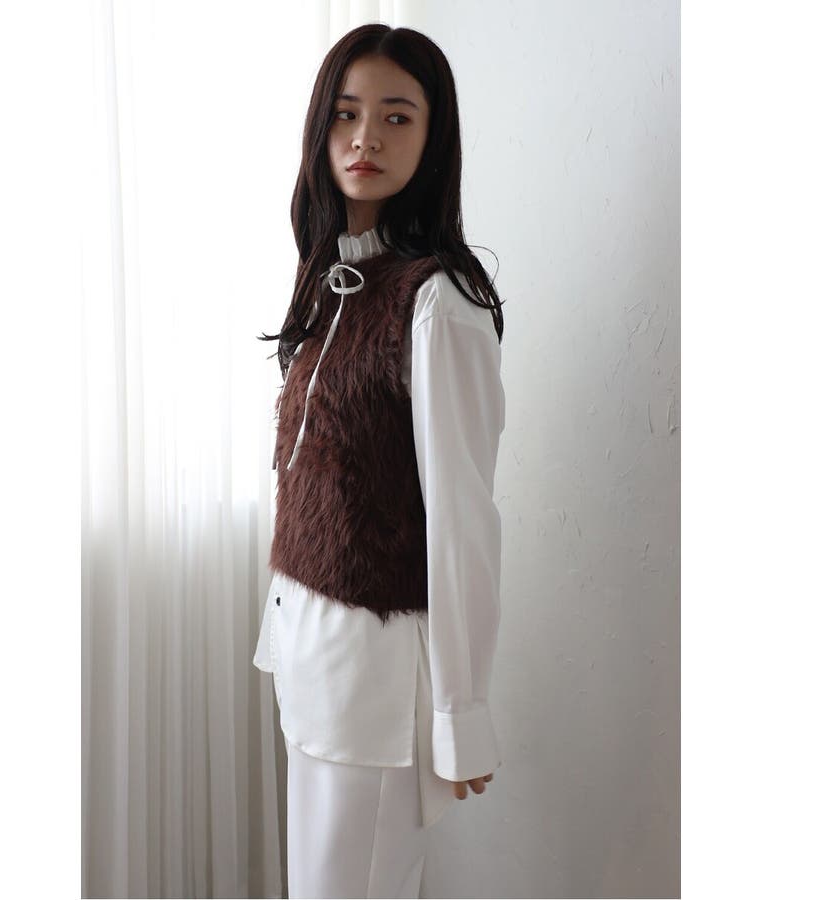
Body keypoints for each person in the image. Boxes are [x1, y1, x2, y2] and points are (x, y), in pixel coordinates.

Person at [253, 22, 506, 900]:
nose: (367, 137)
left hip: (373, 685)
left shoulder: (438, 305)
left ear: (434, 139)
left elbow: (463, 521)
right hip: (309, 663)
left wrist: (461, 714)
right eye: (347, 114)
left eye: (397, 117)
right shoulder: (330, 282)